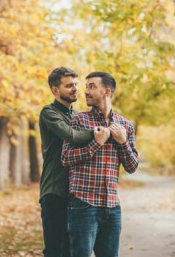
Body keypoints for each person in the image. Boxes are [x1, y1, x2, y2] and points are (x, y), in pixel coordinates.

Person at [61, 71, 139, 257]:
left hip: (112, 207)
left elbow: (132, 166)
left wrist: (123, 142)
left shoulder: (125, 125)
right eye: (86, 87)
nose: (85, 91)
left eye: (92, 87)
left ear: (106, 91)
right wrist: (97, 143)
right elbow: (66, 158)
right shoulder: (79, 120)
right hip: (83, 204)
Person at [39, 67, 109, 257]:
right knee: (55, 248)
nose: (75, 89)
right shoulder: (49, 113)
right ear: (55, 90)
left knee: (72, 249)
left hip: (75, 192)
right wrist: (100, 131)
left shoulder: (76, 115)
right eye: (69, 85)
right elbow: (72, 136)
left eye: (76, 85)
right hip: (54, 190)